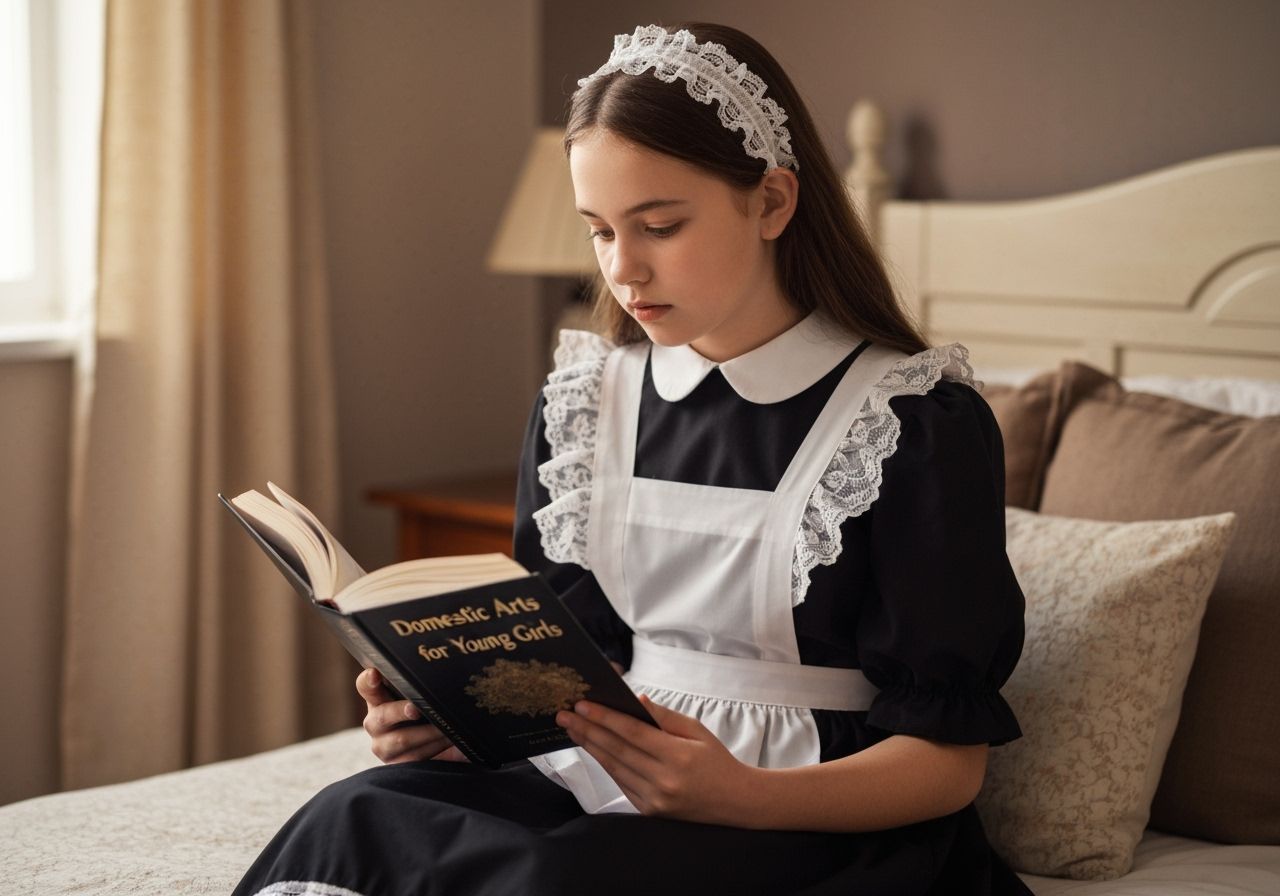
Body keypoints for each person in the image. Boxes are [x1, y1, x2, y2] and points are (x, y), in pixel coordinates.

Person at [234, 22, 1030, 896]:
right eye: (601, 232)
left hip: (812, 815)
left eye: (659, 225)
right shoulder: (587, 401)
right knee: (353, 815)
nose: (624, 270)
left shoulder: (913, 421)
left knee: (548, 877)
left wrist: (741, 795)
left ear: (771, 202)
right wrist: (451, 726)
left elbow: (950, 768)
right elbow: (574, 671)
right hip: (606, 770)